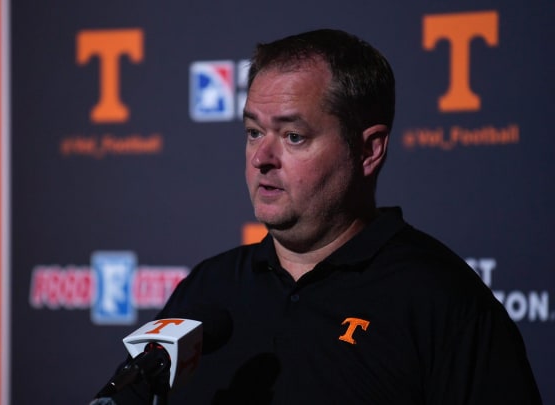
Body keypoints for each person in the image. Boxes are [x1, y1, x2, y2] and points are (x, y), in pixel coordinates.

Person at [106, 28, 542, 404]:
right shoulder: (208, 288)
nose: (261, 157)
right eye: (254, 132)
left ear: (369, 150)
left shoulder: (444, 304)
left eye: (293, 136)